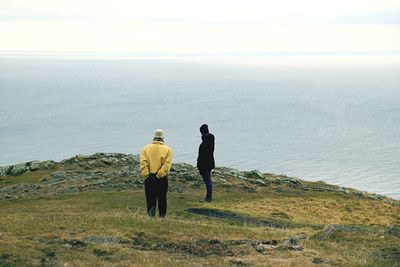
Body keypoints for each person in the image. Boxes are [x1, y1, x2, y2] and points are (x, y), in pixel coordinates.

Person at [140, 129, 173, 218]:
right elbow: (166, 165)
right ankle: (162, 217)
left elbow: (143, 163)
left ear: (154, 137)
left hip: (149, 177)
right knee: (162, 198)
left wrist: (147, 175)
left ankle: (150, 217)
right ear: (163, 138)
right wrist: (158, 175)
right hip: (161, 179)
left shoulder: (146, 148)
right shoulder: (168, 150)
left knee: (150, 199)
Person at [197, 124, 215, 202]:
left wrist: (199, 165)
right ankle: (209, 196)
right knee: (208, 180)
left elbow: (202, 157)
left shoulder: (204, 143)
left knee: (207, 180)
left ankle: (208, 197)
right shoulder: (211, 140)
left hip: (205, 164)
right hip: (210, 162)